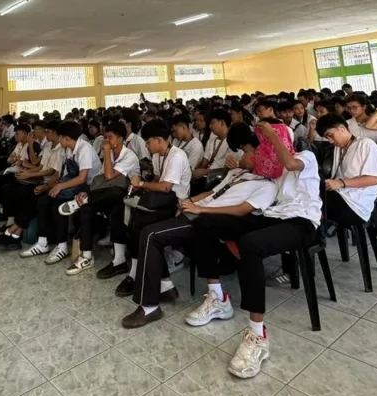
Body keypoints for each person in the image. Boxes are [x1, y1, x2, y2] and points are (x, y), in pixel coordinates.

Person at [182, 124, 320, 377]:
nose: (264, 149)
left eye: (268, 144)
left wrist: (272, 135)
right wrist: (238, 163)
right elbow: (253, 170)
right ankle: (217, 297)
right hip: (273, 215)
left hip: (301, 221)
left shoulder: (305, 157)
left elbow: (290, 163)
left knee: (251, 244)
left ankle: (257, 335)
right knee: (205, 223)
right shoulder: (271, 165)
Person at [121, 124, 279, 333]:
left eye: (249, 152)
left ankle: (149, 306)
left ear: (262, 156)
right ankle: (165, 287)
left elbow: (241, 210)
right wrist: (190, 201)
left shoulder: (267, 186)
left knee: (150, 235)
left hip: (206, 219)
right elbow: (212, 193)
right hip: (196, 211)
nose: (243, 155)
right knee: (147, 230)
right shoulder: (238, 173)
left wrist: (200, 209)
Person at [113, 118, 192, 298]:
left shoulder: (177, 156)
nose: (146, 146)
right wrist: (142, 187)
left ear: (158, 140)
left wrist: (141, 183)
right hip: (162, 201)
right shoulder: (158, 155)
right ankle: (158, 280)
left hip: (177, 205)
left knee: (141, 225)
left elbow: (165, 187)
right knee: (131, 218)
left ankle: (139, 275)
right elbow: (157, 180)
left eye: (148, 142)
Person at [65, 121, 140, 275]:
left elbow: (109, 176)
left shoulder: (129, 156)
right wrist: (87, 192)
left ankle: (119, 261)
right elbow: (101, 180)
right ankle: (86, 256)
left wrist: (105, 151)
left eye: (110, 137)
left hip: (127, 196)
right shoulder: (110, 152)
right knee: (87, 208)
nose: (106, 141)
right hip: (106, 195)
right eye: (105, 137)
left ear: (120, 139)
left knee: (117, 198)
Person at [33, 120, 101, 265]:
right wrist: (54, 185)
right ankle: (42, 242)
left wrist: (61, 186)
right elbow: (66, 173)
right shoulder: (69, 149)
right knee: (43, 200)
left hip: (90, 187)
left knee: (58, 202)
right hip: (75, 182)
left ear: (66, 138)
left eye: (59, 137)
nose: (58, 140)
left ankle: (62, 245)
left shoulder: (85, 149)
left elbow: (82, 178)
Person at [0, 120, 63, 252]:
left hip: (49, 183)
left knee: (29, 197)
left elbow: (51, 171)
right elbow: (40, 166)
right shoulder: (47, 147)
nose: (45, 134)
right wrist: (28, 173)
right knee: (19, 192)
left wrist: (30, 174)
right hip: (42, 180)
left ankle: (12, 232)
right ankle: (14, 233)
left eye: (48, 132)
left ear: (56, 133)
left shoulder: (60, 149)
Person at [316, 114, 377, 229]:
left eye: (330, 135)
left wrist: (340, 183)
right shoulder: (339, 147)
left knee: (312, 203)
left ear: (342, 129)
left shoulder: (365, 144)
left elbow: (375, 179)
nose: (330, 141)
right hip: (342, 196)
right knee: (309, 196)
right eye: (327, 138)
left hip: (355, 206)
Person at [0, 123, 33, 223]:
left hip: (16, 172)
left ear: (25, 134)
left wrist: (16, 159)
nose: (15, 136)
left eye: (17, 134)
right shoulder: (19, 145)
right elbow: (9, 160)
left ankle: (1, 211)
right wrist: (15, 159)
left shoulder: (29, 146)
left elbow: (22, 162)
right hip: (10, 169)